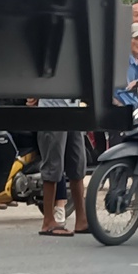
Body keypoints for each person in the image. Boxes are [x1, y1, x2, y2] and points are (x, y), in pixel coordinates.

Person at [33, 98, 87, 236]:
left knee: (77, 166)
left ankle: (82, 220)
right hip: (52, 110)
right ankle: (48, 221)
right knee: (53, 166)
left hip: (74, 110)